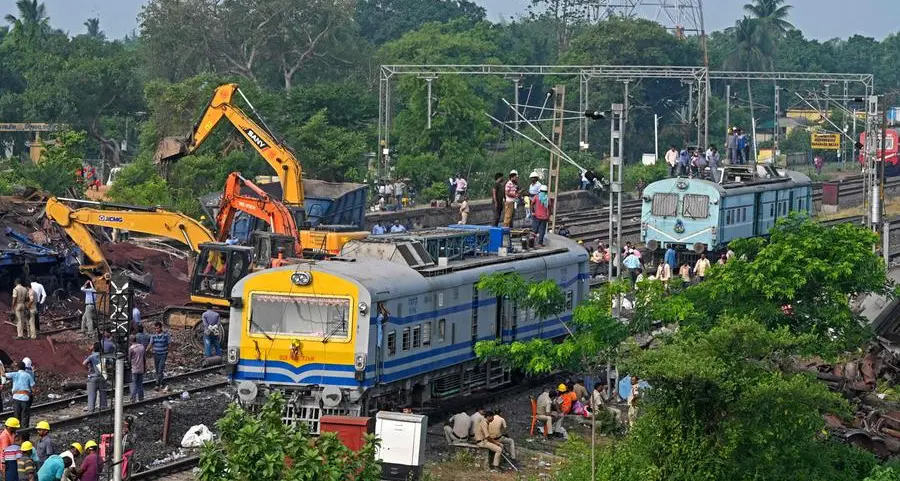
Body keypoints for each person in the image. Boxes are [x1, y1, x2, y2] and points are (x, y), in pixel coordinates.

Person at [7, 362, 34, 428]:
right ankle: (24, 435)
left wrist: (1, 367)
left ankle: (17, 434)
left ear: (17, 367)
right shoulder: (28, 375)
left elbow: (3, 375)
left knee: (17, 418)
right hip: (25, 398)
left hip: (16, 398)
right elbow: (33, 388)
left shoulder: (14, 374)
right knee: (25, 418)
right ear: (24, 367)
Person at [83, 343, 106, 413]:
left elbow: (84, 363)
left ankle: (91, 409)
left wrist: (89, 370)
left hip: (93, 377)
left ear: (94, 348)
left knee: (91, 394)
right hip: (103, 377)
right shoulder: (103, 356)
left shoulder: (91, 356)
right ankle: (103, 408)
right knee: (103, 393)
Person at [150, 322, 171, 390]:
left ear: (160, 328)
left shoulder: (166, 335)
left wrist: (172, 354)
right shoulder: (153, 336)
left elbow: (169, 345)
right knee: (157, 369)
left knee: (160, 369)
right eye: (155, 328)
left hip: (163, 354)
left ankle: (157, 384)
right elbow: (151, 344)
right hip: (156, 354)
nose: (156, 330)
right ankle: (161, 383)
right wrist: (145, 351)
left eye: (157, 328)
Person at [128, 336, 145, 403]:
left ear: (130, 341)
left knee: (133, 384)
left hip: (134, 369)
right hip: (141, 368)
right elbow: (144, 358)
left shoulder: (131, 349)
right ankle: (141, 397)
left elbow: (129, 360)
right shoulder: (142, 347)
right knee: (140, 383)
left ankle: (133, 398)